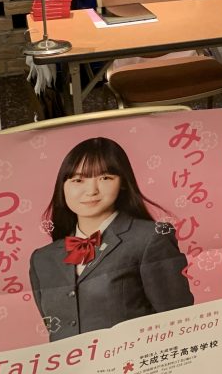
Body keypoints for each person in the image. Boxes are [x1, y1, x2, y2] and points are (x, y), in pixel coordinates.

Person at [29, 137, 193, 341]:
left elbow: (179, 323)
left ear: (122, 182)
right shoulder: (42, 259)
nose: (91, 191)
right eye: (78, 180)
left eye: (105, 178)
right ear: (62, 186)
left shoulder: (150, 238)